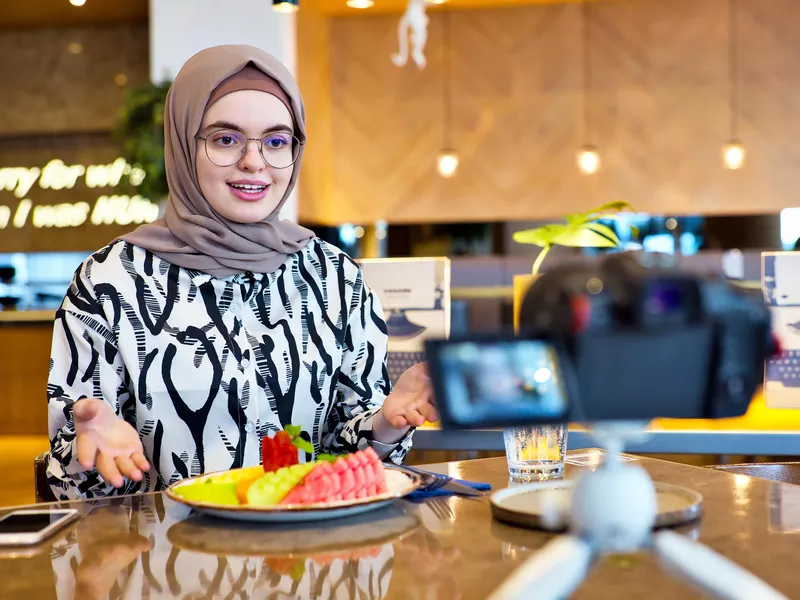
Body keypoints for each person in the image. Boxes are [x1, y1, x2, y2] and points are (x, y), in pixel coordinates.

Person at [45, 44, 437, 500]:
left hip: (310, 559)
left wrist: (386, 422)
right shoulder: (110, 282)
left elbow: (350, 465)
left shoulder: (335, 277)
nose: (255, 162)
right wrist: (87, 453)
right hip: (168, 560)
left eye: (275, 141)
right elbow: (69, 488)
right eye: (225, 139)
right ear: (182, 142)